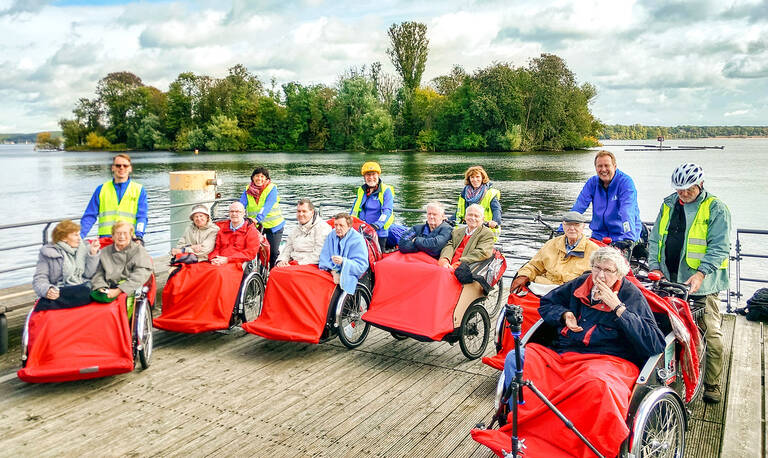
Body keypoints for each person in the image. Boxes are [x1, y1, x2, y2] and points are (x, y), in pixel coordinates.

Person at [485, 246, 665, 457]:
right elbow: (547, 303)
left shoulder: (629, 294)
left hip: (609, 360)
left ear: (619, 274)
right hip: (565, 354)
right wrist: (564, 315)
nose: (601, 275)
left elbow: (654, 342)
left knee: (595, 384)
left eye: (608, 270)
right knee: (518, 359)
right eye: (597, 268)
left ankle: (581, 446)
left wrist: (618, 308)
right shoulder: (582, 283)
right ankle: (520, 427)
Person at [648, 162, 731, 403]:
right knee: (668, 329)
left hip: (701, 285)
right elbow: (655, 239)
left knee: (711, 334)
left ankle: (712, 384)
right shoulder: (668, 204)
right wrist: (654, 266)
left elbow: (720, 247)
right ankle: (671, 376)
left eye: (688, 189)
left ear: (700, 185)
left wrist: (701, 273)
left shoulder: (715, 208)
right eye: (679, 189)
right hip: (669, 281)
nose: (683, 194)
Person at [510, 211, 599, 293]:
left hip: (573, 293)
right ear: (563, 225)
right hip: (545, 289)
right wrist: (523, 276)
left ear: (583, 226)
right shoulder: (551, 244)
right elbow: (534, 265)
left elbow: (598, 277)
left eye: (576, 225)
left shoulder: (594, 250)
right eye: (568, 224)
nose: (572, 228)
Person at [570, 150, 641, 246]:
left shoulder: (625, 182)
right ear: (595, 168)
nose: (603, 169)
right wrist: (563, 228)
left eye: (607, 165)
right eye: (600, 166)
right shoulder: (592, 183)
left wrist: (628, 238)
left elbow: (627, 211)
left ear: (614, 167)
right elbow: (578, 207)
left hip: (621, 237)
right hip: (598, 237)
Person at [80, 153, 148, 247]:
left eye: (125, 165)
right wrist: (79, 237)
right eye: (118, 165)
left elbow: (142, 217)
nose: (121, 168)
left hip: (128, 239)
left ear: (130, 168)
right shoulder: (101, 189)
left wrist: (139, 235)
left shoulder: (139, 190)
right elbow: (89, 216)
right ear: (113, 168)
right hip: (106, 240)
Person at [33, 220, 100, 307]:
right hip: (59, 290)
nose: (79, 238)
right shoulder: (48, 252)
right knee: (45, 304)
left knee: (85, 291)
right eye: (76, 235)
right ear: (63, 238)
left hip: (81, 287)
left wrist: (93, 254)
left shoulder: (84, 248)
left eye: (79, 234)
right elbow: (40, 278)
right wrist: (47, 290)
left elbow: (88, 274)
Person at [91, 221, 153, 315]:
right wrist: (101, 287)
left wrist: (119, 290)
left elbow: (140, 274)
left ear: (131, 235)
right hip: (108, 287)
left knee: (113, 310)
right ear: (112, 236)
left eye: (125, 233)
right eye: (118, 233)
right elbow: (99, 273)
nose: (122, 237)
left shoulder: (139, 251)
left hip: (128, 288)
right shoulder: (104, 252)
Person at [239, 166, 284, 268]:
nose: (259, 179)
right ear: (252, 178)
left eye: (262, 176)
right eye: (257, 176)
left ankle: (272, 274)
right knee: (254, 249)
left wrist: (258, 218)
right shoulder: (248, 190)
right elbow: (241, 204)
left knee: (272, 252)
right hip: (256, 225)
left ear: (267, 179)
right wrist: (237, 215)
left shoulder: (271, 189)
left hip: (274, 225)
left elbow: (268, 205)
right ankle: (258, 273)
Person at [319, 213, 369, 295]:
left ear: (349, 226)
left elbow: (361, 266)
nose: (338, 228)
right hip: (331, 270)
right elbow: (324, 257)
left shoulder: (358, 240)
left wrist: (344, 262)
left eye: (341, 225)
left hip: (349, 272)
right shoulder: (331, 235)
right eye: (336, 225)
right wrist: (334, 272)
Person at [350, 161, 395, 251]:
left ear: (378, 175)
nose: (371, 177)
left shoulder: (386, 190)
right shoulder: (361, 190)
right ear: (364, 177)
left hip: (379, 232)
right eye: (368, 175)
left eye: (373, 174)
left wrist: (376, 225)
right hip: (362, 230)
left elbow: (387, 211)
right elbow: (354, 209)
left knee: (377, 256)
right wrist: (349, 222)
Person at [275, 199, 332, 267]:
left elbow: (319, 253)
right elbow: (288, 248)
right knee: (275, 271)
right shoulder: (295, 229)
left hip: (312, 264)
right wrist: (282, 261)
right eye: (299, 211)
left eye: (304, 211)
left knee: (288, 275)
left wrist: (299, 264)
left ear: (312, 212)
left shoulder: (323, 228)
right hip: (294, 262)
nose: (301, 214)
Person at [439, 204, 494, 270]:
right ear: (465, 217)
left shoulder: (486, 233)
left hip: (466, 268)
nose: (472, 218)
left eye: (476, 216)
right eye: (470, 215)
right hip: (448, 265)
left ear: (482, 219)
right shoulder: (457, 231)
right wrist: (445, 259)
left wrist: (459, 263)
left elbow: (482, 252)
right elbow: (449, 245)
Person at [454, 165, 501, 240]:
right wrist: (446, 219)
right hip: (467, 229)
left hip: (486, 229)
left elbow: (497, 210)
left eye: (477, 177)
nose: (475, 179)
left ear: (483, 178)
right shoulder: (464, 194)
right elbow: (458, 213)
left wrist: (495, 221)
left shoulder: (490, 193)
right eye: (472, 177)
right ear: (469, 179)